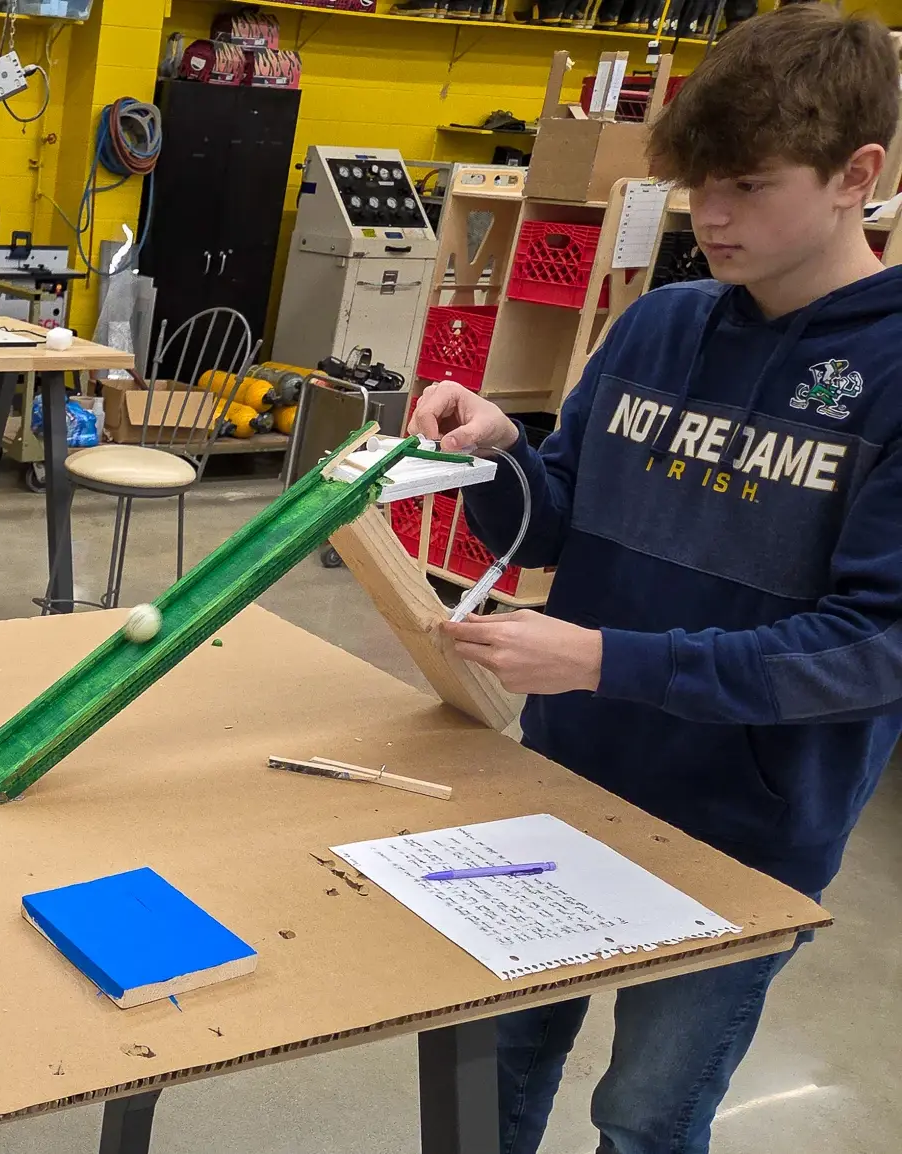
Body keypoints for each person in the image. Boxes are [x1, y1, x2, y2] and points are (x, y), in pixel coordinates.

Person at [409, 7, 902, 1152]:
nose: (709, 216)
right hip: (564, 780)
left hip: (744, 832)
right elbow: (551, 525)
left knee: (643, 1114)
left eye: (746, 186)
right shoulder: (659, 326)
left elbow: (871, 647)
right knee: (494, 1066)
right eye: (696, 186)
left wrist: (600, 659)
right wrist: (496, 452)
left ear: (855, 175)